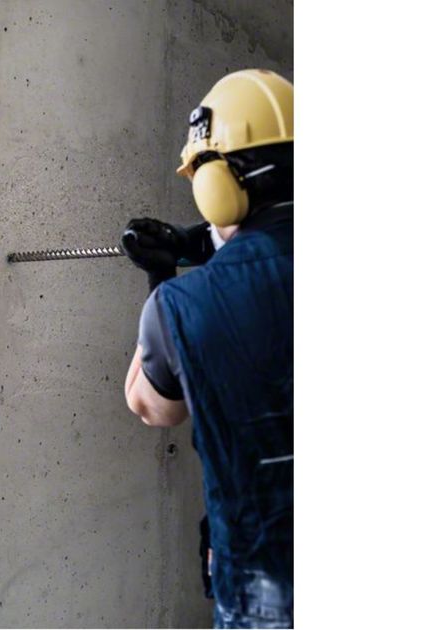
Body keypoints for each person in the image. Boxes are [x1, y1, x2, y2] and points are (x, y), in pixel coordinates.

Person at [121, 69, 294, 628]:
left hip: (265, 598)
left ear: (217, 185)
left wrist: (163, 282)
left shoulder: (183, 306)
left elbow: (151, 406)